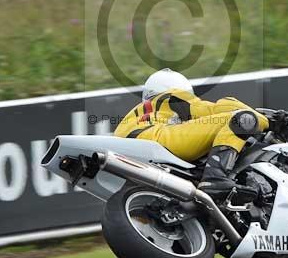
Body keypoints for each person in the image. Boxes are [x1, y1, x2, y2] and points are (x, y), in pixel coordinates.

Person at [114, 68, 269, 200]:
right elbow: (219, 108)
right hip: (158, 140)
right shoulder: (173, 97)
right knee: (242, 119)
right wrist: (266, 120)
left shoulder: (139, 112)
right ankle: (214, 178)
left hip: (128, 153)